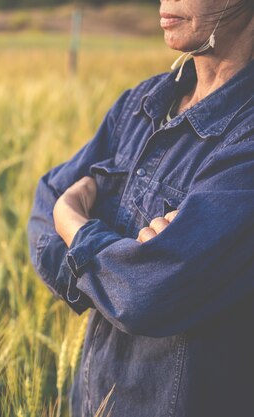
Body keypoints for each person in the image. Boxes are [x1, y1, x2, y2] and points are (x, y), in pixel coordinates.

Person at [27, 1, 254, 416]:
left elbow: (148, 292)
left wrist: (75, 226)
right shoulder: (142, 103)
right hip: (95, 403)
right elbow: (44, 204)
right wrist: (124, 262)